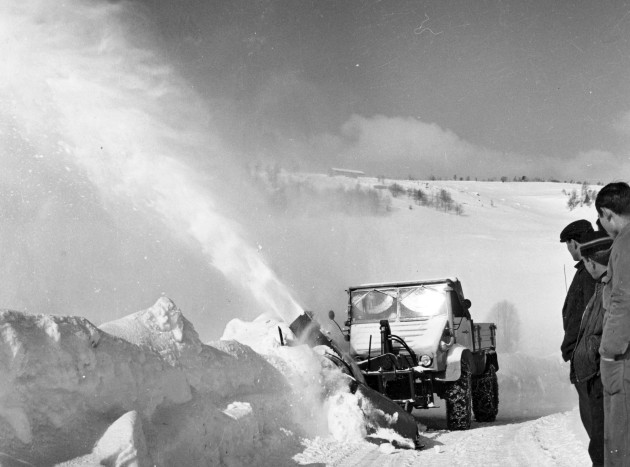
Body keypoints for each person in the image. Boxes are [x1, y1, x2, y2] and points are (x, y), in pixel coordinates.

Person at [595, 181, 630, 466]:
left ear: (608, 214)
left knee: (620, 443)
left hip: (624, 357)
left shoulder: (625, 243)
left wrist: (608, 352)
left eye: (601, 219)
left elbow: (623, 301)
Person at [572, 230, 613, 467]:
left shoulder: (609, 288)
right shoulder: (602, 285)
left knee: (602, 443)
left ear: (590, 261)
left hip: (603, 375)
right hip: (598, 374)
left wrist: (592, 349)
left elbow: (612, 332)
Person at [559, 219, 597, 441]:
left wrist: (573, 348)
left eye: (567, 244)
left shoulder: (590, 272)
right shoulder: (587, 270)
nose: (568, 250)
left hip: (588, 358)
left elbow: (586, 316)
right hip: (585, 356)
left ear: (574, 243)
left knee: (596, 425)